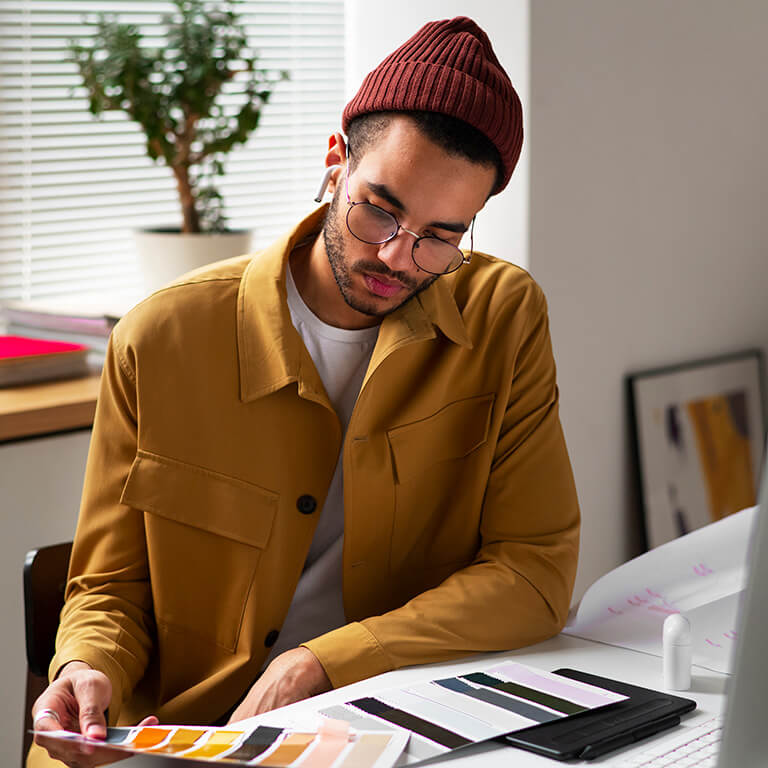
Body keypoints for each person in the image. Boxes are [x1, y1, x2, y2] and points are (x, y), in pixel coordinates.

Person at [30, 16, 580, 768]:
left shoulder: (503, 317)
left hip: (380, 730)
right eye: (378, 209)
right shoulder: (162, 338)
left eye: (440, 236)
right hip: (176, 741)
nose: (396, 256)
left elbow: (534, 572)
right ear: (334, 162)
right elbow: (110, 584)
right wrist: (85, 665)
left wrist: (327, 661)